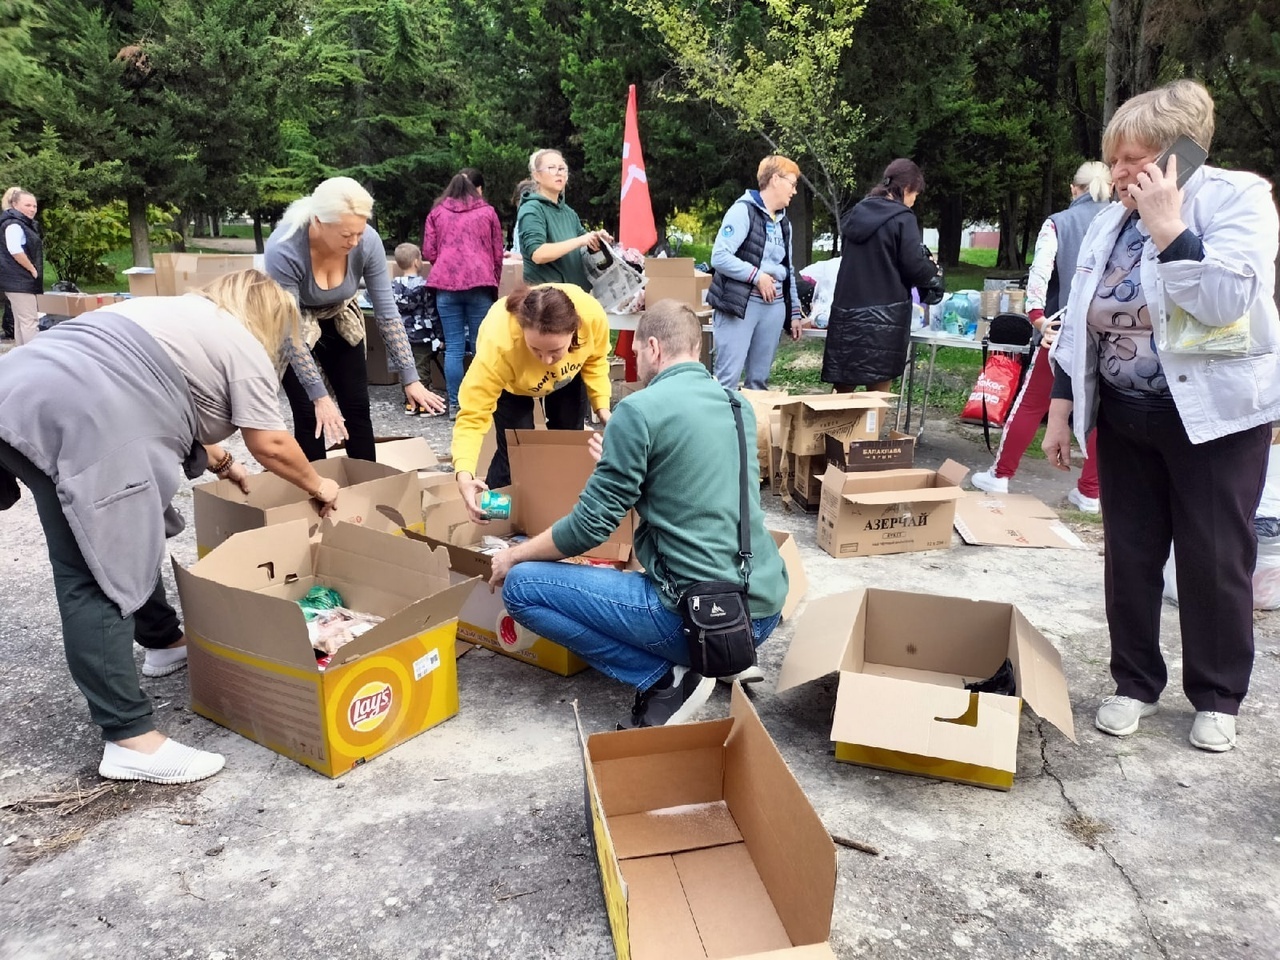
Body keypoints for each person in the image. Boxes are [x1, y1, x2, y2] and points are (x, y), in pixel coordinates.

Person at [0, 270, 343, 783]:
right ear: (270, 319)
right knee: (98, 566)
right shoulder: (242, 340)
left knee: (126, 532)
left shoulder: (170, 312)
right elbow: (271, 443)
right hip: (84, 414)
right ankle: (129, 738)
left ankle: (162, 642)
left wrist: (223, 464)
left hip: (19, 390)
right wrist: (320, 486)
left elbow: (162, 394)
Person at [1043, 79, 1280, 753]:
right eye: (1114, 158)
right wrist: (1063, 405)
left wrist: (1170, 228)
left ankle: (1216, 694)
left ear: (1181, 155)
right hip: (1127, 415)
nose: (1119, 174)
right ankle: (1134, 682)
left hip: (1213, 421)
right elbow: (1081, 318)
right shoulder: (1110, 219)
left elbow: (1229, 299)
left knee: (1213, 559)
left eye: (1134, 158)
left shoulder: (1239, 198)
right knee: (1131, 555)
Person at [488, 300, 789, 728]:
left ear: (652, 348)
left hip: (695, 619)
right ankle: (716, 663)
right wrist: (619, 460)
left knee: (521, 585)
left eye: (633, 352)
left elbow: (591, 525)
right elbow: (686, 485)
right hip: (758, 612)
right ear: (695, 350)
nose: (633, 360)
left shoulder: (638, 409)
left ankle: (663, 676)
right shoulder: (736, 405)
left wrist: (514, 556)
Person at [265, 176, 444, 462]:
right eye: (346, 235)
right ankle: (314, 494)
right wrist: (319, 396)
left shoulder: (366, 241)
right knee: (311, 415)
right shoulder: (284, 249)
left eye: (359, 233)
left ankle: (366, 488)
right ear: (318, 222)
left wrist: (410, 377)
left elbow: (387, 312)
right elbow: (291, 333)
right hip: (295, 326)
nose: (355, 241)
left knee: (357, 408)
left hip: (340, 319)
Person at [971, 162, 1114, 513]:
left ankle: (1001, 474)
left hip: (1062, 329)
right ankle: (1091, 492)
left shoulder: (1058, 222)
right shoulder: (1122, 219)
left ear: (1073, 189)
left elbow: (1040, 274)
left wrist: (1038, 319)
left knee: (1033, 403)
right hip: (1112, 330)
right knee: (1102, 409)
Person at [452, 283, 611, 519]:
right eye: (535, 349)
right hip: (513, 386)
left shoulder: (591, 316)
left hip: (567, 379)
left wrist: (603, 408)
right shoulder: (499, 344)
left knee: (567, 443)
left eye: (555, 351)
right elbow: (473, 415)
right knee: (516, 451)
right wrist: (464, 474)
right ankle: (494, 518)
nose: (546, 360)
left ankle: (561, 514)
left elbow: (596, 359)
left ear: (574, 331)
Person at [823, 159, 939, 393]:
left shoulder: (856, 213)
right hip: (884, 315)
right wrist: (932, 268)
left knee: (843, 384)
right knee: (878, 387)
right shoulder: (902, 218)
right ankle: (868, 432)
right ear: (906, 189)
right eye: (915, 195)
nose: (913, 202)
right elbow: (914, 267)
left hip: (846, 312)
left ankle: (833, 430)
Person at [707, 155, 804, 390]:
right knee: (727, 379)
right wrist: (756, 276)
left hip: (774, 306)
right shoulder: (742, 212)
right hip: (741, 304)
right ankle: (721, 425)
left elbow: (788, 269)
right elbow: (719, 257)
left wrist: (794, 312)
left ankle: (751, 426)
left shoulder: (784, 223)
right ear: (774, 180)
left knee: (759, 382)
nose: (794, 191)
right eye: (792, 184)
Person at [423, 169, 504, 419]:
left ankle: (456, 404)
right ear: (477, 189)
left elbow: (429, 252)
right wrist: (494, 281)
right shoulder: (487, 212)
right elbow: (497, 252)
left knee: (454, 347)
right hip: (480, 284)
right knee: (482, 347)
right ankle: (482, 402)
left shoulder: (437, 213)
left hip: (446, 287)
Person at [515, 148, 611, 290]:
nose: (559, 173)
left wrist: (597, 239)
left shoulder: (569, 213)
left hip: (575, 296)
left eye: (562, 168)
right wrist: (579, 241)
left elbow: (584, 244)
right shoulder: (532, 209)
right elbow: (538, 254)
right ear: (536, 176)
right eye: (551, 168)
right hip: (547, 299)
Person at [391, 242, 442, 416]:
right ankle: (423, 403)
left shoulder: (393, 285)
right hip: (422, 335)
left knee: (405, 366)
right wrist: (439, 335)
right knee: (422, 368)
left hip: (401, 334)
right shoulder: (425, 286)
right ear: (415, 261)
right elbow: (432, 312)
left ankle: (409, 402)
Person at [0, 187, 43, 346]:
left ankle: (21, 355)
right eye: (27, 205)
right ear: (15, 205)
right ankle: (33, 359)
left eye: (34, 206)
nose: (32, 209)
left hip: (14, 280)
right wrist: (32, 269)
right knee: (30, 321)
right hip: (19, 280)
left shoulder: (16, 222)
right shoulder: (14, 224)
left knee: (21, 321)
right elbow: (15, 250)